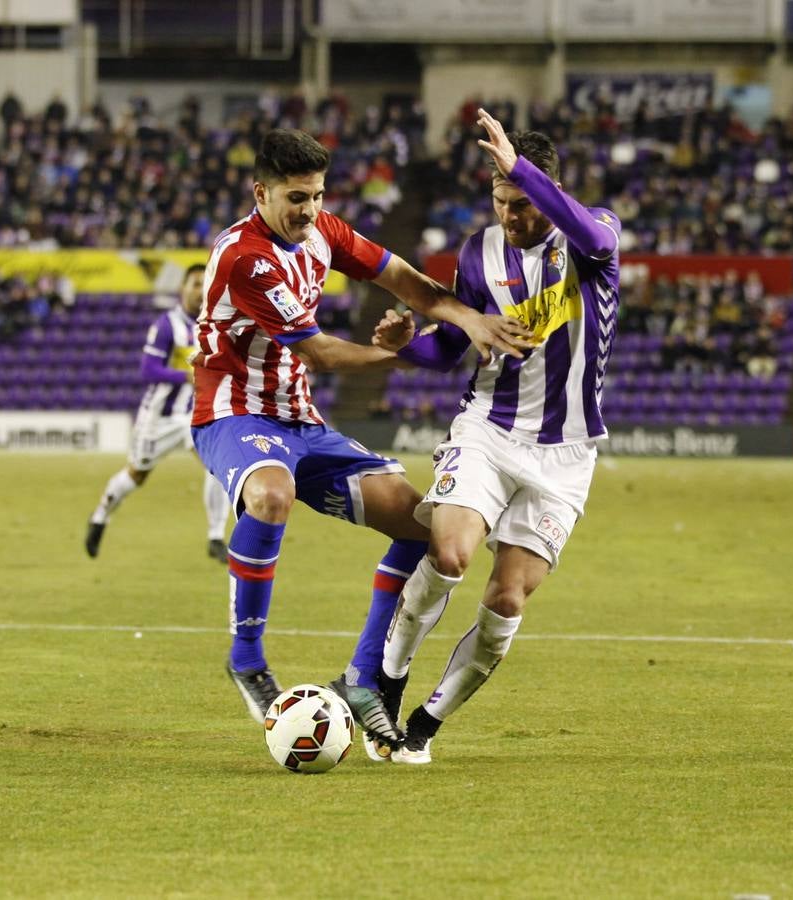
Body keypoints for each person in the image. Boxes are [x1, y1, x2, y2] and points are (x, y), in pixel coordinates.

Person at [189, 128, 531, 747]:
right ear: (261, 192)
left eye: (317, 195)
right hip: (234, 412)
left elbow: (403, 278)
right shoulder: (245, 257)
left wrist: (468, 317)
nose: (310, 210)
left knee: (424, 524)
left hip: (301, 421)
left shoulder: (323, 232)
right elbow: (318, 352)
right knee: (270, 495)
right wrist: (391, 354)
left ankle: (358, 675)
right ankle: (246, 658)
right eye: (297, 197)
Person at [367, 110, 621, 764]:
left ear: (544, 194)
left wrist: (525, 172)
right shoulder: (477, 253)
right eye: (501, 201)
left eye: (524, 203)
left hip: (565, 455)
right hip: (488, 428)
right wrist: (405, 348)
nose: (512, 215)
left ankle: (425, 724)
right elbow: (455, 343)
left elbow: (591, 233)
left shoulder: (594, 238)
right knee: (449, 555)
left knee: (506, 598)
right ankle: (387, 687)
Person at [85, 265, 232, 562]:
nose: (200, 289)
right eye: (195, 283)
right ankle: (100, 515)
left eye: (205, 284)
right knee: (137, 474)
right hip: (158, 418)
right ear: (183, 288)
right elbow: (148, 369)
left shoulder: (214, 326)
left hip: (194, 416)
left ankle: (215, 537)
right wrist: (185, 377)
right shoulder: (167, 325)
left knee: (218, 467)